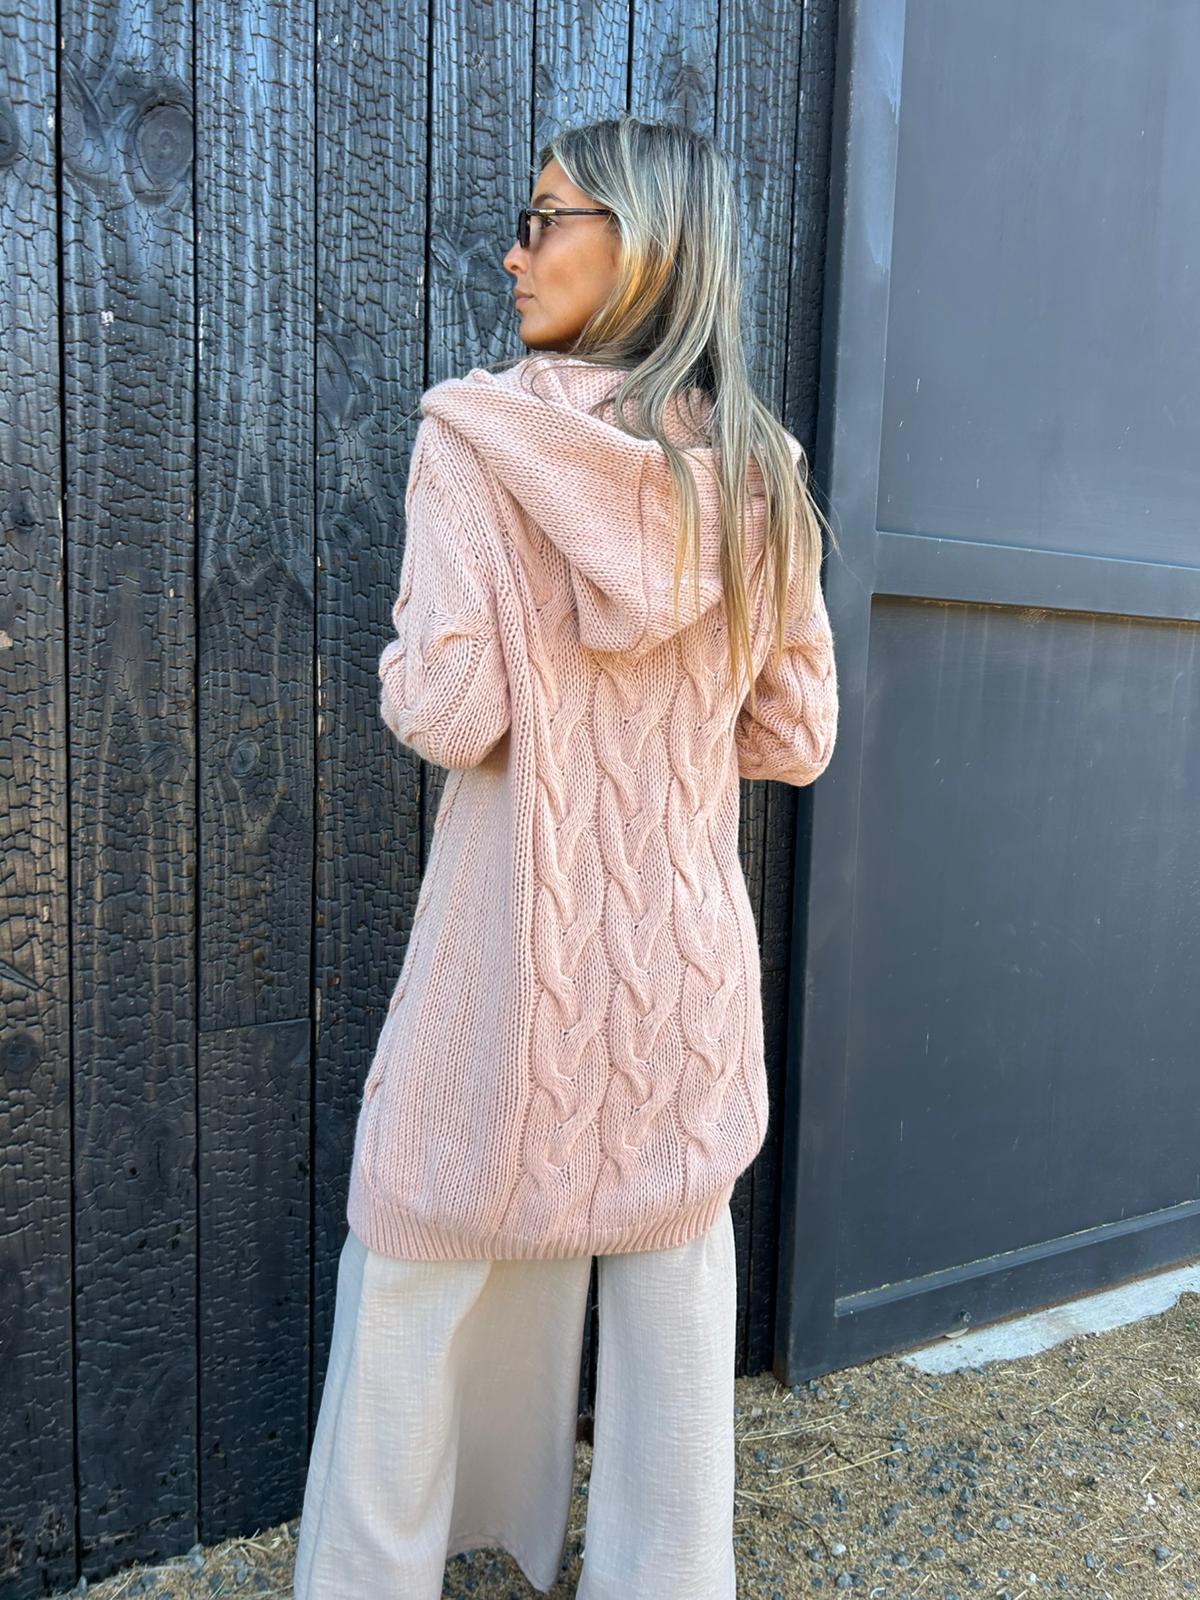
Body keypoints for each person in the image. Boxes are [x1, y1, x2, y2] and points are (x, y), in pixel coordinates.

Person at [293, 113, 840, 1599]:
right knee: (672, 1266)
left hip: (508, 958)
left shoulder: (476, 440)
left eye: (546, 220)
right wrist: (661, 732)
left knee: (417, 1249)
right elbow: (794, 731)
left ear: (641, 244)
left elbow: (451, 710)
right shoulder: (762, 471)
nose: (514, 252)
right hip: (682, 960)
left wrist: (435, 659)